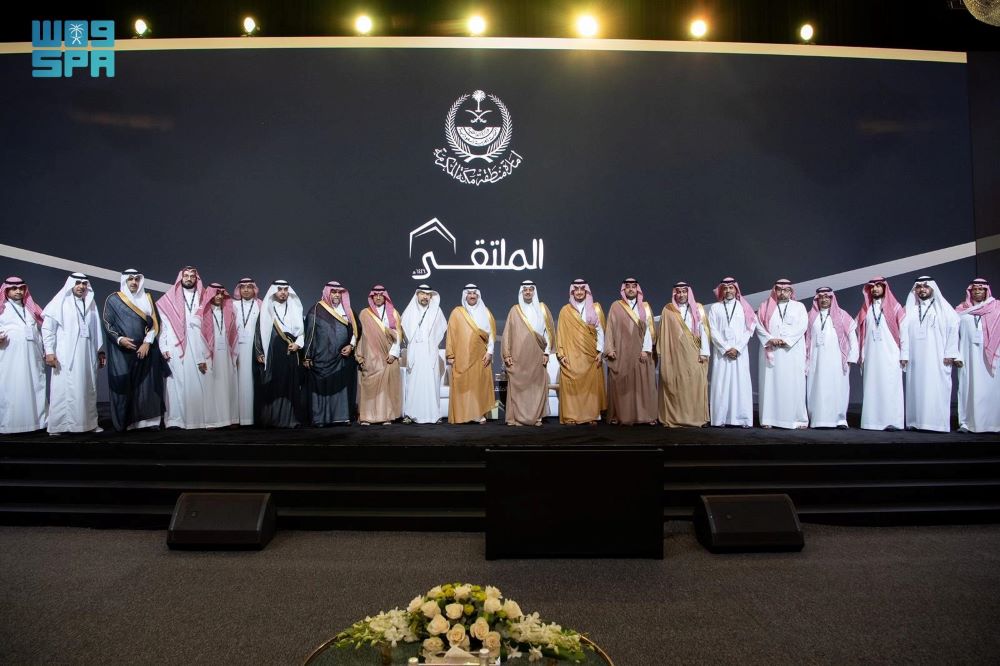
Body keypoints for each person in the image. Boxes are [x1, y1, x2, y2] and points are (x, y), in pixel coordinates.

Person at [102, 269, 166, 431]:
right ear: (125, 281)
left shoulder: (147, 298)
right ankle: (128, 423)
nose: (134, 282)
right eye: (130, 279)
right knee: (126, 387)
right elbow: (108, 324)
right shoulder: (113, 299)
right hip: (123, 352)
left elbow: (155, 323)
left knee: (148, 386)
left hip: (146, 350)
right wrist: (120, 339)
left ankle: (149, 422)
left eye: (137, 279)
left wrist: (147, 343)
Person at [41, 273, 105, 434]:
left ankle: (89, 424)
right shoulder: (59, 303)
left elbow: (96, 330)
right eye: (77, 283)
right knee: (63, 390)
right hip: (66, 355)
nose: (81, 286)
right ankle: (58, 426)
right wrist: (49, 352)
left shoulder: (90, 303)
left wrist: (100, 352)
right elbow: (48, 329)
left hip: (88, 355)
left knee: (88, 388)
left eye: (84, 283)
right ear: (70, 285)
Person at [900, 276, 960, 432]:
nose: (922, 289)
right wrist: (904, 355)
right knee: (916, 388)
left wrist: (950, 353)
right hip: (915, 358)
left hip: (937, 357)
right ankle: (916, 422)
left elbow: (954, 327)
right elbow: (903, 333)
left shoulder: (942, 307)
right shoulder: (910, 309)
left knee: (936, 388)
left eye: (925, 286)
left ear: (932, 288)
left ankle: (936, 424)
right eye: (919, 287)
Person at [157, 266, 207, 428]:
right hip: (175, 344)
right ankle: (175, 420)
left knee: (199, 381)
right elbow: (164, 326)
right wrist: (163, 346)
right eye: (186, 275)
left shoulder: (204, 296)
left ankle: (198, 419)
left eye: (192, 276)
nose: (189, 278)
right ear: (181, 278)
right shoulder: (169, 298)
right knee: (175, 382)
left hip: (199, 343)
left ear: (197, 279)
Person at [304, 281, 359, 426]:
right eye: (333, 292)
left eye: (339, 292)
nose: (336, 295)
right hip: (321, 357)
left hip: (341, 358)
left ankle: (341, 417)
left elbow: (356, 331)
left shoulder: (348, 310)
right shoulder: (316, 309)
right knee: (322, 388)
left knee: (340, 387)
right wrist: (307, 356)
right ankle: (320, 419)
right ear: (327, 292)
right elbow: (309, 334)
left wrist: (351, 346)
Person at [501, 280, 555, 426]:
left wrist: (547, 353)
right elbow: (507, 334)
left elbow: (549, 333)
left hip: (537, 354)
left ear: (534, 291)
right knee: (519, 386)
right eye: (525, 290)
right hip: (518, 355)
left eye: (531, 289)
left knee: (536, 386)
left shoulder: (542, 308)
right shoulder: (515, 310)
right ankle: (516, 418)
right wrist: (507, 354)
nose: (528, 292)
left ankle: (537, 417)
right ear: (521, 292)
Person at [756, 279, 808, 429]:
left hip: (791, 352)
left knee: (793, 384)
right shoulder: (765, 306)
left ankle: (797, 419)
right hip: (771, 350)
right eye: (779, 289)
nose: (782, 292)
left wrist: (786, 340)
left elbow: (802, 326)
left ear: (791, 292)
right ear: (775, 291)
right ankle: (769, 419)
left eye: (786, 290)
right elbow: (758, 325)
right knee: (770, 385)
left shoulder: (799, 307)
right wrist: (770, 339)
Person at [604, 277, 657, 425]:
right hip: (621, 352)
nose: (631, 289)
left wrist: (646, 350)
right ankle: (621, 416)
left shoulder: (645, 307)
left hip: (641, 352)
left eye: (634, 286)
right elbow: (610, 328)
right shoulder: (616, 306)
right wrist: (609, 348)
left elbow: (650, 331)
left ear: (637, 289)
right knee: (622, 384)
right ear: (624, 289)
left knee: (643, 385)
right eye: (628, 286)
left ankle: (646, 416)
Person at [254, 280, 307, 428]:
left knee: (290, 385)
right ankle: (274, 420)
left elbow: (302, 332)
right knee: (275, 385)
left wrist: (297, 344)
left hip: (291, 353)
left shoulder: (295, 308)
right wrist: (259, 352)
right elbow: (258, 332)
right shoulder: (267, 309)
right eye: (280, 289)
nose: (283, 292)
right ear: (274, 291)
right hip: (273, 354)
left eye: (285, 289)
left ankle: (291, 420)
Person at [855, 277, 906, 431]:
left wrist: (904, 354)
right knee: (872, 387)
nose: (875, 289)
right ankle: (872, 422)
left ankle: (893, 421)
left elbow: (904, 332)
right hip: (871, 355)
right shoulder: (866, 309)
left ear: (884, 288)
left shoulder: (896, 308)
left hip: (890, 355)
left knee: (890, 387)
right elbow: (857, 330)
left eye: (878, 286)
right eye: (872, 287)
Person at [657, 281, 710, 427]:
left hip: (694, 353)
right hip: (674, 355)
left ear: (688, 293)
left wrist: (704, 352)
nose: (681, 294)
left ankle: (697, 417)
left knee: (694, 385)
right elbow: (663, 333)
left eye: (684, 292)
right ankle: (676, 417)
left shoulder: (698, 308)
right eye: (678, 292)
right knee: (677, 385)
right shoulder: (668, 310)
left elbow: (704, 331)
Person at [805, 287, 858, 428]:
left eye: (827, 297)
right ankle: (817, 420)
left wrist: (851, 357)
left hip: (837, 361)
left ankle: (840, 420)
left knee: (838, 389)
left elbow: (852, 336)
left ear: (832, 298)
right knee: (816, 389)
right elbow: (805, 340)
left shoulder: (842, 315)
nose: (824, 300)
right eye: (821, 297)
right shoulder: (810, 317)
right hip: (816, 361)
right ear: (817, 300)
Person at [707, 277, 756, 428]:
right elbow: (712, 330)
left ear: (736, 290)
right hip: (722, 353)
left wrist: (737, 348)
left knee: (741, 384)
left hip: (739, 353)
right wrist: (725, 348)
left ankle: (743, 419)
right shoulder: (715, 308)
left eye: (731, 288)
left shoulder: (744, 307)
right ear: (721, 290)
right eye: (725, 288)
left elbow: (749, 329)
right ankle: (720, 419)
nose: (728, 291)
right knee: (721, 385)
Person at [0, 276, 47, 433]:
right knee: (12, 388)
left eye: (21, 288)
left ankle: (38, 422)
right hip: (9, 358)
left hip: (33, 357)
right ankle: (10, 425)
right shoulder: (2, 308)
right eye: (14, 288)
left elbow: (44, 327)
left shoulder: (31, 308)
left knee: (35, 386)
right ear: (6, 290)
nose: (18, 291)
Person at [556, 278, 606, 425]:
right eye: (576, 289)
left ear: (586, 291)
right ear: (572, 292)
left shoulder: (595, 308)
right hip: (571, 355)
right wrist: (561, 354)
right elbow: (560, 333)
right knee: (571, 385)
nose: (579, 292)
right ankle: (571, 416)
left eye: (581, 289)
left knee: (591, 387)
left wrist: (600, 351)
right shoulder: (565, 310)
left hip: (591, 355)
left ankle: (592, 416)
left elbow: (600, 331)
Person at [446, 284, 497, 424]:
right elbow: (451, 334)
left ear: (478, 295)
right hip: (462, 355)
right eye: (469, 293)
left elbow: (491, 335)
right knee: (464, 385)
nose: (472, 296)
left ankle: (478, 414)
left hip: (481, 355)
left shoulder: (486, 312)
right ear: (465, 295)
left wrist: (490, 352)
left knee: (478, 385)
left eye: (475, 293)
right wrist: (450, 355)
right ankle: (463, 415)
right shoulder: (457, 312)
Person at [955, 278, 1000, 433]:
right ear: (970, 291)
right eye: (974, 289)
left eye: (981, 289)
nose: (977, 292)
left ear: (986, 291)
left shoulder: (997, 308)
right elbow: (953, 335)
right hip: (967, 356)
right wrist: (956, 355)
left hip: (992, 356)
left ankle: (992, 424)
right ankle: (966, 423)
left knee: (991, 390)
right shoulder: (961, 310)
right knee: (968, 388)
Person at [355, 285, 402, 425]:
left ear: (385, 297)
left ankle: (386, 417)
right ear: (372, 297)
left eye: (381, 295)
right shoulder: (364, 314)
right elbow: (359, 336)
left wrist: (393, 353)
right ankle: (366, 417)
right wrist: (359, 355)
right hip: (370, 357)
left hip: (388, 356)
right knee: (368, 386)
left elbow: (398, 335)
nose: (378, 297)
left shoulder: (393, 313)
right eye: (375, 295)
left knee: (386, 388)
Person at [400, 284, 446, 424]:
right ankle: (410, 414)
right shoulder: (409, 311)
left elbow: (441, 329)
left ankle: (434, 415)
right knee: (414, 384)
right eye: (422, 294)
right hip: (415, 352)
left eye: (428, 294)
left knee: (431, 383)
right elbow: (404, 331)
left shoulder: (437, 311)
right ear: (417, 295)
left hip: (430, 352)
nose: (425, 296)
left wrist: (431, 342)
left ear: (431, 296)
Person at [198, 283, 239, 428]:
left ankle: (230, 419)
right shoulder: (202, 313)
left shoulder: (228, 311)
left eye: (222, 294)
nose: (220, 296)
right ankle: (214, 421)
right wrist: (201, 358)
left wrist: (236, 356)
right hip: (209, 355)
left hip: (226, 355)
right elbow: (199, 338)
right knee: (212, 387)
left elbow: (234, 335)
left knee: (228, 386)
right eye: (217, 293)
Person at [233, 277, 262, 426]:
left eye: (249, 287)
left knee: (252, 381)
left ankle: (252, 418)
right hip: (236, 348)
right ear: (239, 289)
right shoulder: (233, 305)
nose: (245, 289)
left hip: (254, 349)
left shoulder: (260, 305)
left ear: (254, 289)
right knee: (237, 382)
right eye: (242, 287)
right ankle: (237, 418)